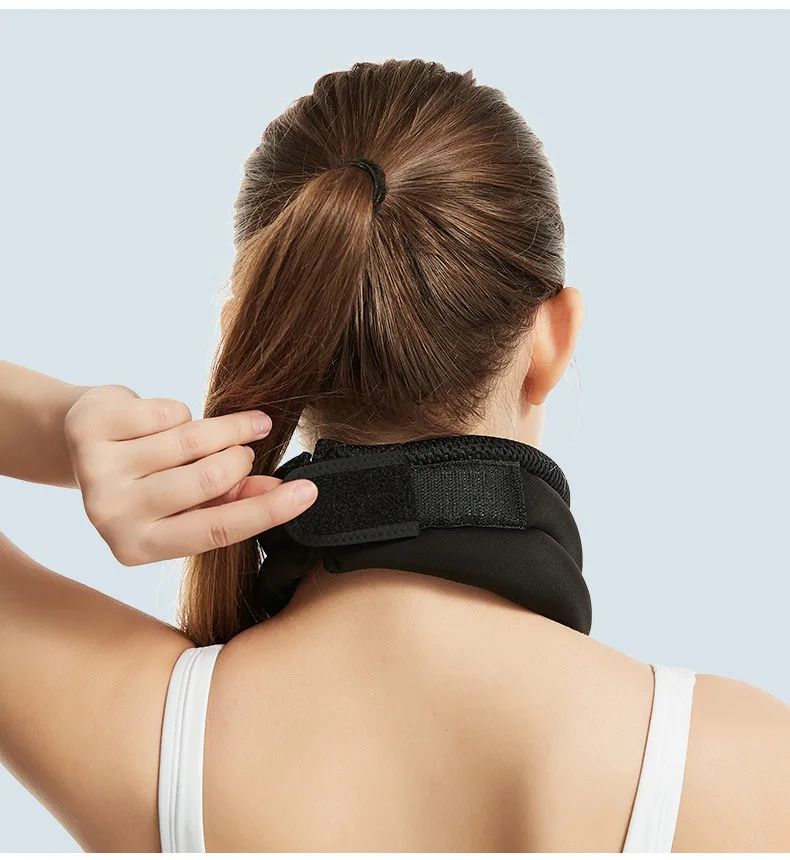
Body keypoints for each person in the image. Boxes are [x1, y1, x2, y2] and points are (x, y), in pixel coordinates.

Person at [1, 58, 789, 854]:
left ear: (269, 332)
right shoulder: (744, 765)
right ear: (554, 336)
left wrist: (65, 427)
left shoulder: (141, 735)